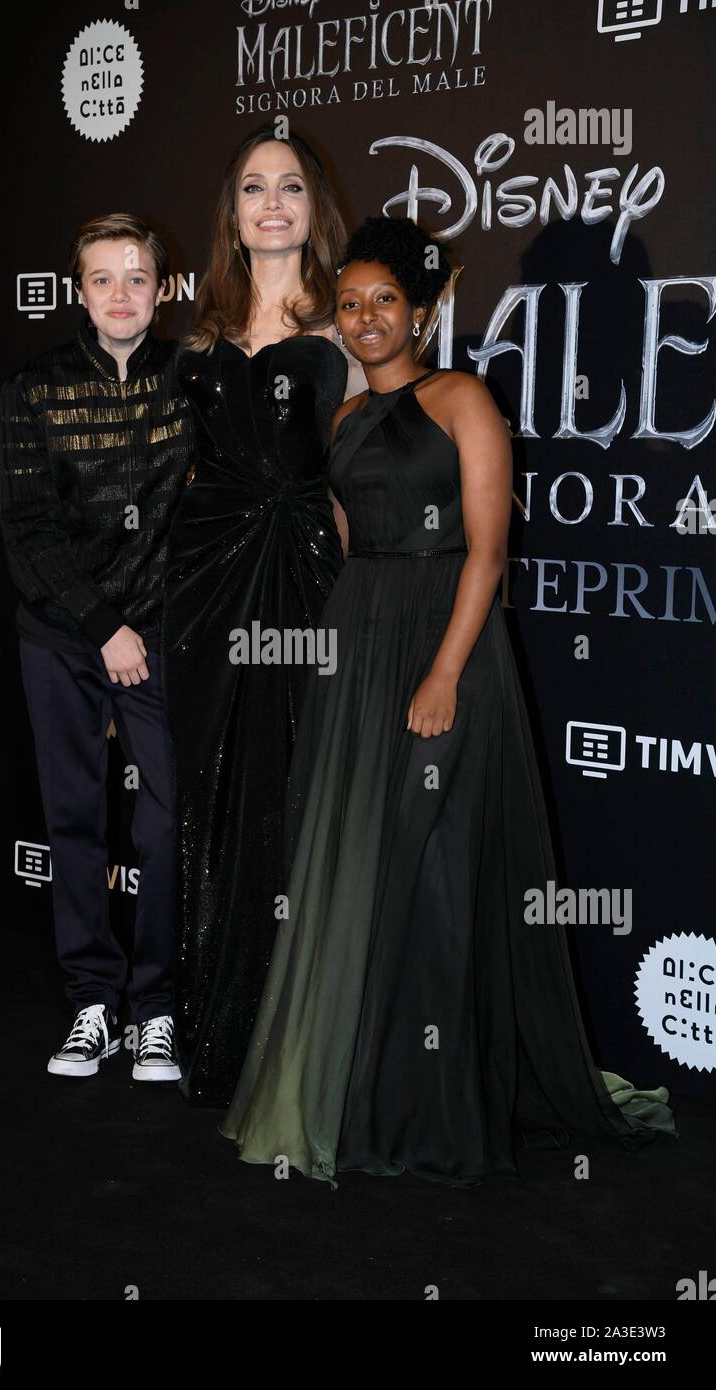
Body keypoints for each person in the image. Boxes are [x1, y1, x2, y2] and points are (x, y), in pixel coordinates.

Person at [220, 216, 676, 1185]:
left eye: (384, 299)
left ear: (420, 309)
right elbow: (350, 542)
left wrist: (438, 671)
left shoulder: (463, 398)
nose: (366, 317)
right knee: (357, 867)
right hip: (360, 643)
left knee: (435, 873)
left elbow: (487, 552)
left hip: (447, 645)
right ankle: (352, 1092)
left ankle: (432, 1107)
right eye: (349, 304)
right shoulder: (340, 421)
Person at [162, 124, 365, 1108]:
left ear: (312, 209)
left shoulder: (346, 334)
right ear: (231, 214)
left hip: (308, 585)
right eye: (252, 187)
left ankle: (309, 1041)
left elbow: (363, 483)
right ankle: (228, 1034)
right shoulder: (196, 343)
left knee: (304, 795)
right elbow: (177, 484)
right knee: (219, 799)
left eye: (289, 187)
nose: (271, 203)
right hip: (209, 594)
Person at [0, 213, 193, 1082]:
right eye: (103, 278)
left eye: (137, 277)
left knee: (163, 819)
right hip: (62, 638)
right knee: (73, 819)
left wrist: (142, 628)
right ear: (78, 290)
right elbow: (28, 530)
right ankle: (91, 1003)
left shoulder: (193, 382)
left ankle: (155, 1008)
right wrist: (100, 628)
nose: (121, 294)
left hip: (159, 638)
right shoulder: (33, 389)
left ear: (162, 288)